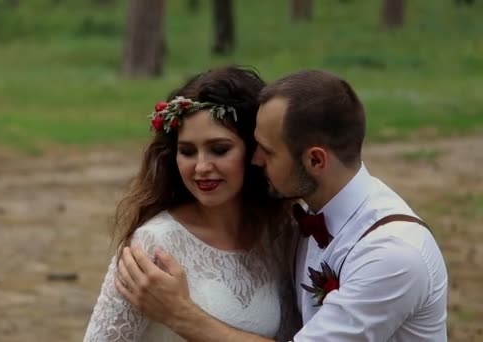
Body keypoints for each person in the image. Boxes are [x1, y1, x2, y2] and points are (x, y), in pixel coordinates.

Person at [116, 69, 448, 341]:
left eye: (268, 151)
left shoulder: (392, 254)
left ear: (315, 160)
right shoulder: (294, 224)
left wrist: (179, 314)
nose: (255, 160)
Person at [83, 66, 301, 341]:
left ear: (254, 151)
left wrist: (182, 314)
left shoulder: (279, 234)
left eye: (219, 150)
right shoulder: (154, 244)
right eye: (187, 151)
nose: (201, 167)